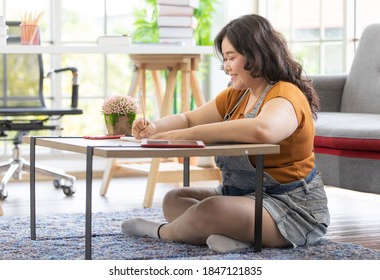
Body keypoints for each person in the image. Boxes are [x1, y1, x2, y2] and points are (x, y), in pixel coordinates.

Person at [121, 14, 330, 252]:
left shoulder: (285, 94)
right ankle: (237, 241)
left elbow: (263, 130)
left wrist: (189, 135)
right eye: (225, 59)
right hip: (241, 196)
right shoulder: (237, 94)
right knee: (174, 200)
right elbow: (188, 118)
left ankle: (158, 231)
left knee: (210, 209)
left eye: (231, 58)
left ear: (256, 54)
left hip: (290, 208)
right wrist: (155, 127)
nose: (226, 67)